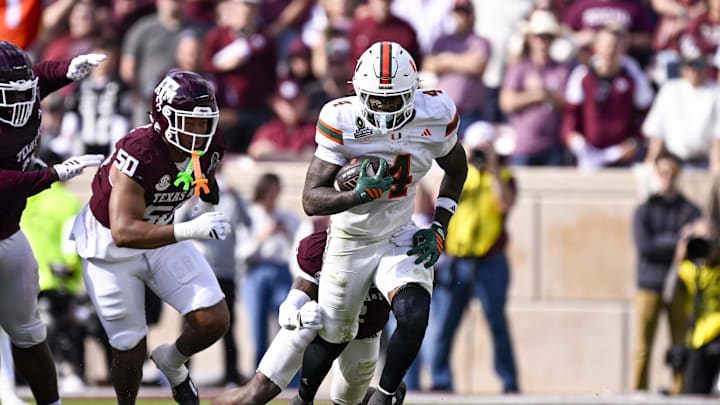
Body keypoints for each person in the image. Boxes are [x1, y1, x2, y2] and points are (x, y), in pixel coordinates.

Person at [293, 41, 468, 405]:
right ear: (358, 92)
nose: (385, 107)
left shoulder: (435, 112)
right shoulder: (340, 117)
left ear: (413, 91)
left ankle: (386, 394)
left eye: (394, 99)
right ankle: (304, 399)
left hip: (398, 232)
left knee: (414, 313)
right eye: (376, 99)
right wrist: (359, 195)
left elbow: (456, 170)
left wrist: (439, 228)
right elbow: (311, 200)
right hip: (351, 236)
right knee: (334, 332)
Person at [69, 70, 232, 405]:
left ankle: (172, 361)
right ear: (163, 118)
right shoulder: (140, 149)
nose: (200, 132)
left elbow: (204, 177)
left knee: (213, 320)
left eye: (205, 123)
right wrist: (193, 229)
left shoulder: (211, 144)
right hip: (110, 250)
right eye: (190, 122)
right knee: (130, 348)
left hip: (161, 236)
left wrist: (207, 192)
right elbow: (124, 231)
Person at [0, 40, 106, 405]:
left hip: (8, 232)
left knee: (29, 331)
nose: (23, 97)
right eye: (11, 91)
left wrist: (66, 70)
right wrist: (52, 175)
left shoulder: (20, 95)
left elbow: (35, 79)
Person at [212, 229, 408, 405]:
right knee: (256, 393)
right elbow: (288, 309)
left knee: (347, 400)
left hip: (364, 334)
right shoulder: (323, 247)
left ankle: (381, 395)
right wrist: (297, 316)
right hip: (318, 324)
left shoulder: (393, 255)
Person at [425, 121, 519, 393]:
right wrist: (460, 163)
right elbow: (433, 199)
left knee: (497, 323)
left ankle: (509, 381)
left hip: (491, 261)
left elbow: (504, 203)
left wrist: (490, 168)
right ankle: (441, 381)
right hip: (456, 260)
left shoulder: (503, 175)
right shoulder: (457, 175)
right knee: (444, 325)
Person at [631, 151, 701, 393]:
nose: (667, 178)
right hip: (649, 283)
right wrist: (677, 243)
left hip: (680, 284)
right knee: (643, 345)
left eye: (672, 173)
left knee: (680, 342)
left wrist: (682, 243)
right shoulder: (645, 209)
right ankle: (638, 391)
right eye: (662, 173)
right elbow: (645, 245)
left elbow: (695, 247)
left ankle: (680, 390)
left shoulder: (690, 209)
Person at [175, 174, 251, 387]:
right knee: (189, 324)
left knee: (228, 324)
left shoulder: (230, 197)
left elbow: (247, 222)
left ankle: (231, 376)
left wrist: (239, 198)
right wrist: (188, 200)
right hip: (196, 270)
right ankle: (182, 375)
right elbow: (176, 225)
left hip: (224, 271)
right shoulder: (191, 196)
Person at [563, 26, 655, 170]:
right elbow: (571, 114)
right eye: (606, 45)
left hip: (621, 155)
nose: (610, 50)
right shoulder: (582, 75)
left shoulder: (633, 76)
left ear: (623, 48)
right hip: (588, 154)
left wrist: (634, 142)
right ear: (596, 47)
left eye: (615, 46)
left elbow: (647, 114)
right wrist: (573, 137)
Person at [236, 173, 299, 364]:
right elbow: (242, 251)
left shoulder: (287, 218)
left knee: (287, 324)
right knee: (258, 327)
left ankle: (286, 375)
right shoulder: (250, 216)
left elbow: (295, 248)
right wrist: (264, 236)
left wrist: (285, 234)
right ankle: (258, 372)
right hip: (256, 271)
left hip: (281, 271)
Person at [500, 10, 571, 166]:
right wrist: (535, 95)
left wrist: (547, 95)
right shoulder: (519, 68)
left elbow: (569, 106)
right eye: (539, 36)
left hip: (553, 146)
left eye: (547, 37)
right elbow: (506, 103)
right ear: (530, 39)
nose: (542, 42)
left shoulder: (562, 70)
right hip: (524, 146)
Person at [642, 49, 720, 170]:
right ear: (683, 68)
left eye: (699, 66)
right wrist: (651, 161)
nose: (694, 71)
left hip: (703, 163)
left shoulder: (715, 92)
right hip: (672, 162)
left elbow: (717, 136)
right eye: (690, 66)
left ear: (706, 69)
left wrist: (716, 168)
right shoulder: (670, 89)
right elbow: (657, 130)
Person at [422, 0, 491, 137]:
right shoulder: (442, 40)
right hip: (443, 112)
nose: (462, 18)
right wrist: (463, 60)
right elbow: (428, 64)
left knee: (471, 151)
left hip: (470, 113)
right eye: (458, 13)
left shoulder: (481, 42)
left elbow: (477, 65)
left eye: (465, 13)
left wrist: (446, 59)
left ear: (472, 15)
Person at [673, 219, 720, 394]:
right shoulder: (689, 270)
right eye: (699, 240)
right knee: (692, 393)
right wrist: (679, 255)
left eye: (709, 240)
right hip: (698, 338)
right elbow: (668, 292)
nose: (705, 246)